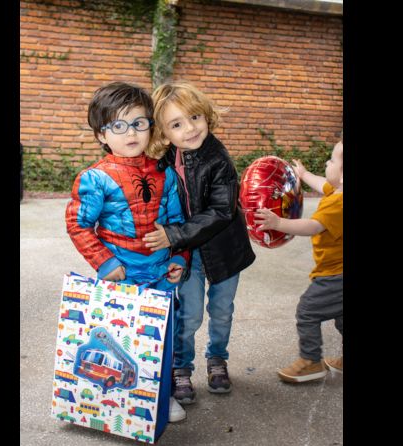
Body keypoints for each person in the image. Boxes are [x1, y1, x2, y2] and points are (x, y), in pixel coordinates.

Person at [65, 81, 189, 421]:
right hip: (121, 275)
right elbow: (78, 224)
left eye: (138, 123)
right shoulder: (95, 178)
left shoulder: (166, 174)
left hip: (163, 274)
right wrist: (105, 262)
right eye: (118, 125)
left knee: (163, 341)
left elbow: (178, 221)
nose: (130, 132)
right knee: (119, 342)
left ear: (151, 126)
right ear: (102, 135)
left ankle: (161, 397)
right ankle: (118, 400)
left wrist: (180, 257)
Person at [143, 81, 255, 406]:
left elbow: (221, 211)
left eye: (195, 117)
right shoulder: (163, 161)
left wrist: (174, 235)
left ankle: (217, 358)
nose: (190, 128)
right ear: (163, 132)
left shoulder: (218, 159)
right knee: (188, 314)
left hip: (224, 251)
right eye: (176, 124)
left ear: (206, 115)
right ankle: (181, 367)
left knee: (221, 311)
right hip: (187, 255)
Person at [253, 137, 343, 382]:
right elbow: (324, 182)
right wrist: (303, 174)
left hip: (335, 276)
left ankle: (311, 361)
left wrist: (278, 223)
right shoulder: (337, 190)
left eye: (333, 160)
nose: (327, 161)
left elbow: (312, 226)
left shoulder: (338, 203)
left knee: (307, 311)